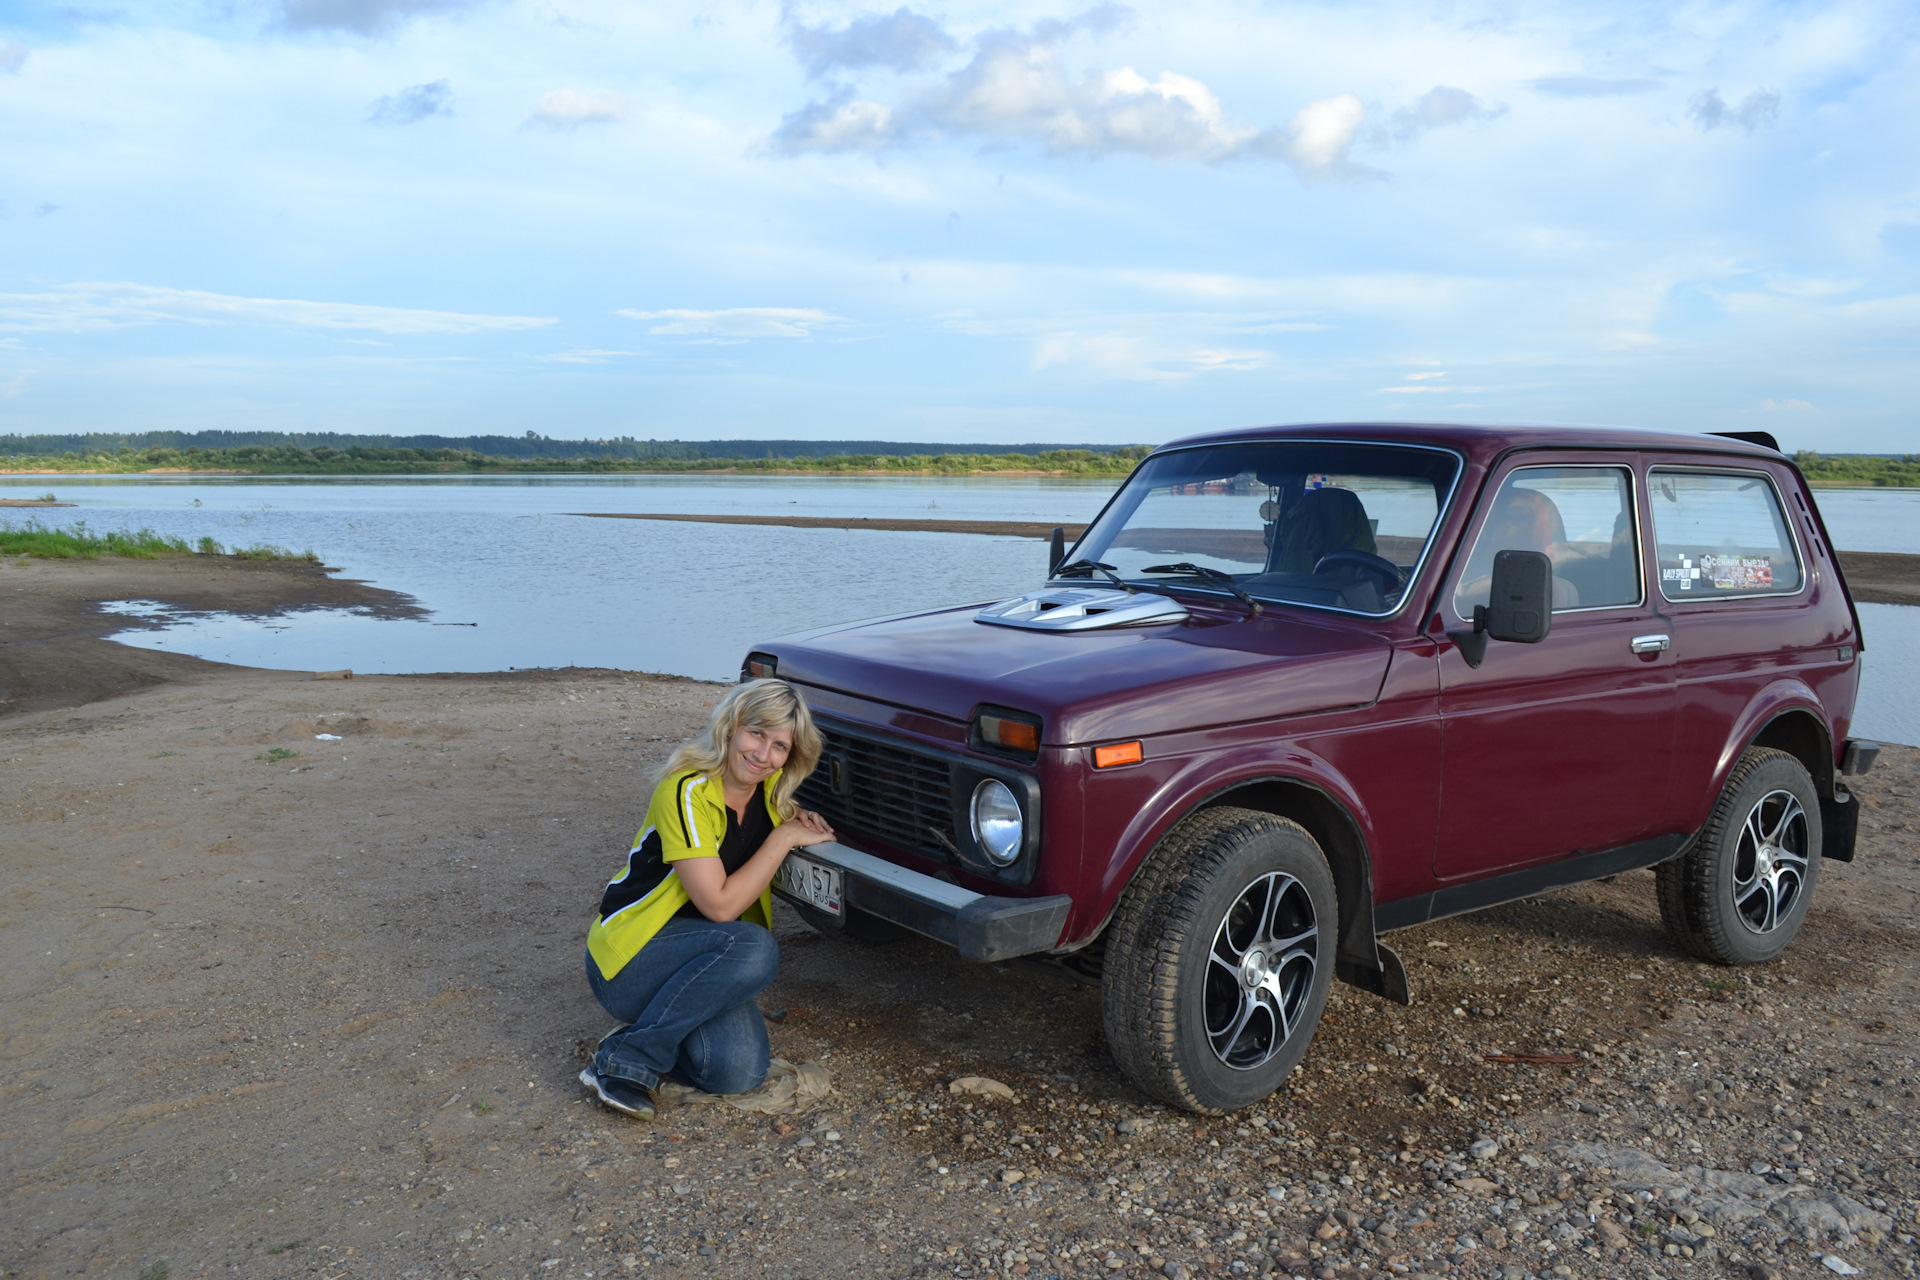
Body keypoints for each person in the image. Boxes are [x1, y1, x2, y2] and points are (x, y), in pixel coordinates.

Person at [578, 678, 832, 1120]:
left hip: (701, 966)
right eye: (756, 734)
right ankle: (627, 1061)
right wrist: (784, 839)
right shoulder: (686, 790)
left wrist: (796, 821)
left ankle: (631, 1038)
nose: (762, 755)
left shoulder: (771, 801)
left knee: (737, 1073)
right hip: (630, 962)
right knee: (753, 946)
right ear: (731, 726)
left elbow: (780, 817)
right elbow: (719, 907)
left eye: (779, 746)